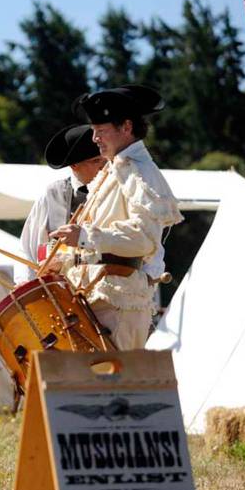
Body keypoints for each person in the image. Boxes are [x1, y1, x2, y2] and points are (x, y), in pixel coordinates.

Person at [48, 85, 182, 350]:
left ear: (126, 127)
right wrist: (63, 259)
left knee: (114, 389)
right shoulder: (113, 171)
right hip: (95, 299)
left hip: (118, 304)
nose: (94, 138)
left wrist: (85, 237)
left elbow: (144, 239)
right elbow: (100, 238)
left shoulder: (140, 172)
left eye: (101, 130)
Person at [14, 124, 106, 284]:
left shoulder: (117, 191)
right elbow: (27, 249)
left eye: (106, 160)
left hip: (106, 290)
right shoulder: (53, 194)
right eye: (96, 161)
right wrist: (26, 285)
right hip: (60, 292)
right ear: (74, 165)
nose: (103, 166)